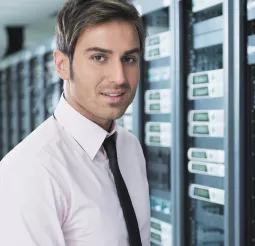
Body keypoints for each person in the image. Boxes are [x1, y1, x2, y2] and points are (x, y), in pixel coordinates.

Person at [0, 0, 150, 245]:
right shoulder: (30, 171)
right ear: (62, 65)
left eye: (129, 59)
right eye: (99, 57)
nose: (119, 77)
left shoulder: (130, 148)